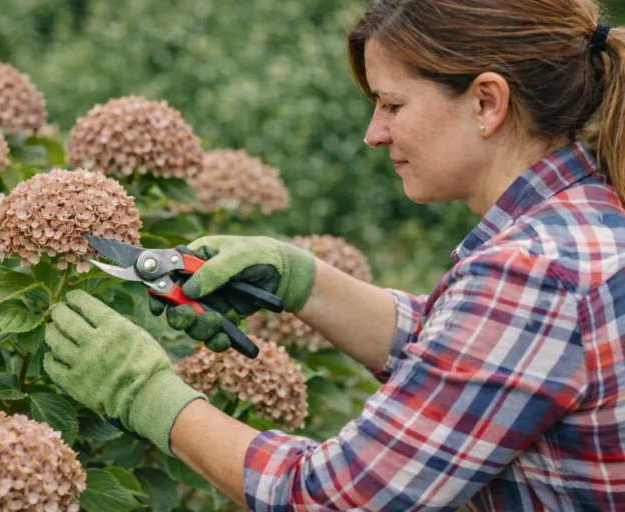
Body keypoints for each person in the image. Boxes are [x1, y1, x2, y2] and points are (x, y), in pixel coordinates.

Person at [43, 0, 625, 509]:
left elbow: (328, 498)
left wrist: (145, 392)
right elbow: (466, 357)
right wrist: (301, 280)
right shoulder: (587, 215)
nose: (374, 133)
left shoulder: (532, 275)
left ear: (486, 103)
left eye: (392, 105)